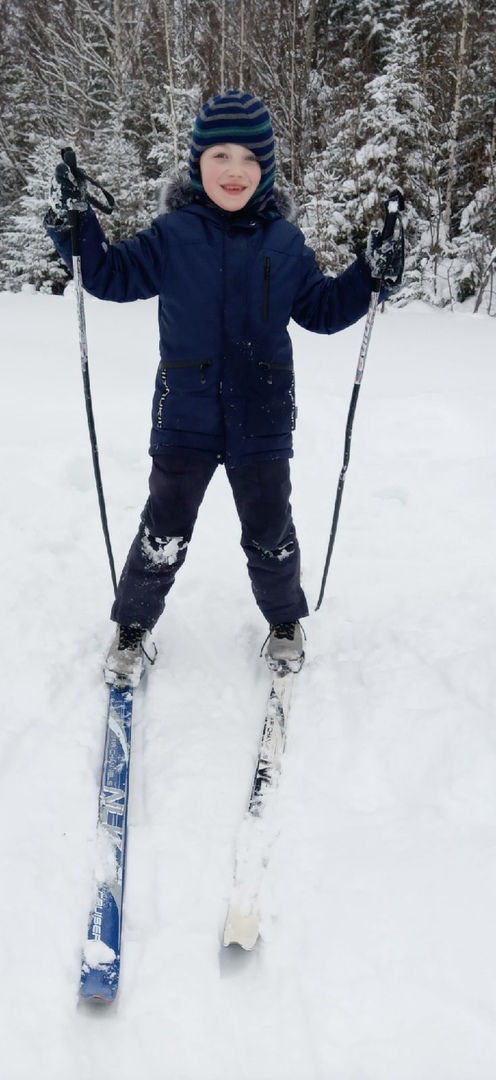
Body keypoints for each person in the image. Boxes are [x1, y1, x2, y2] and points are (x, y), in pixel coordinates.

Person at [45, 89, 403, 687]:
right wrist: (73, 223)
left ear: (266, 169)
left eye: (249, 158)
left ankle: (285, 620)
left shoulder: (284, 243)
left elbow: (322, 309)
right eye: (220, 156)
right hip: (184, 412)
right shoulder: (172, 235)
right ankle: (133, 625)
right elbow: (108, 274)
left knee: (269, 529)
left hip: (262, 415)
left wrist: (372, 272)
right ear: (197, 164)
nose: (235, 170)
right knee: (164, 527)